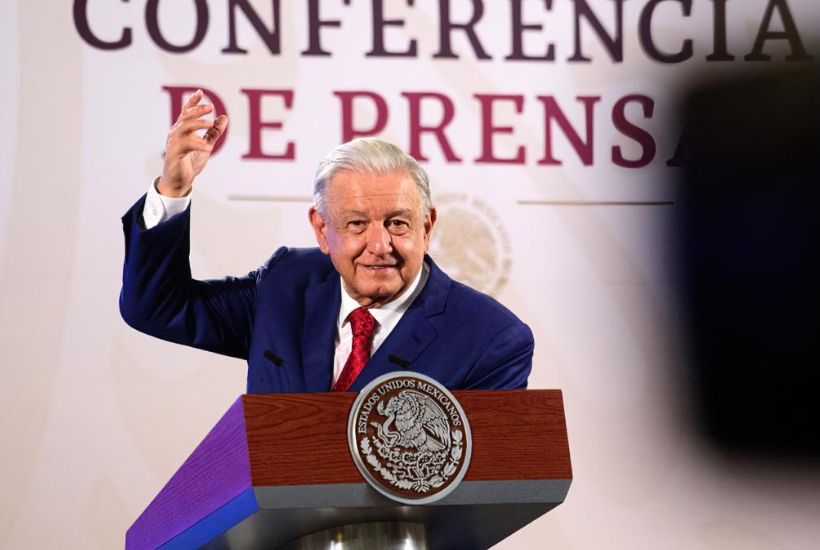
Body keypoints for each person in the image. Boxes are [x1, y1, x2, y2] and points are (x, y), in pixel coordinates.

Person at [120, 90, 534, 393]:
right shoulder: (287, 286)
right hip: (275, 515)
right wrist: (173, 189)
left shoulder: (491, 338)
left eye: (398, 224)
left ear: (427, 227)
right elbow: (157, 308)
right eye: (356, 224)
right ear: (321, 229)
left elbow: (487, 489)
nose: (379, 245)